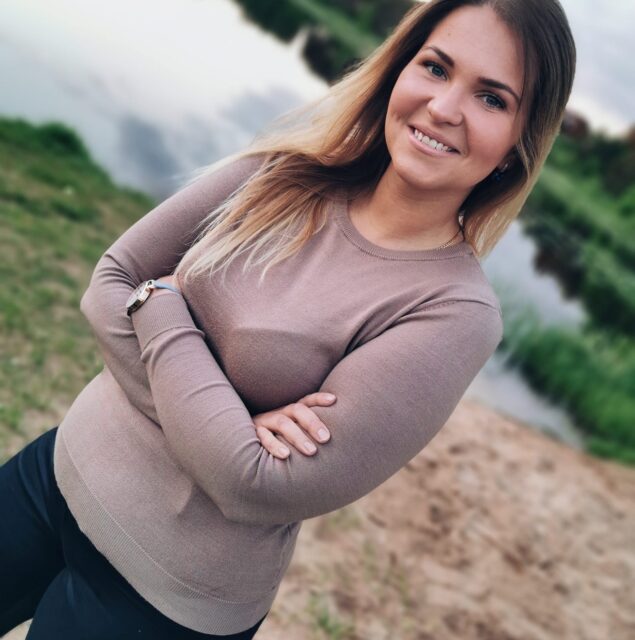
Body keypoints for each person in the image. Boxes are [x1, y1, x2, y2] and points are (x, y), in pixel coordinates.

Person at [0, 0, 576, 637]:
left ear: (518, 144)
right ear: (399, 69)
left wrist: (159, 304)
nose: (444, 107)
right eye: (436, 67)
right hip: (54, 473)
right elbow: (110, 280)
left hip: (160, 597)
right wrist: (226, 428)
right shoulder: (284, 172)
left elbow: (253, 483)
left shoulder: (455, 313)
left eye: (492, 98)